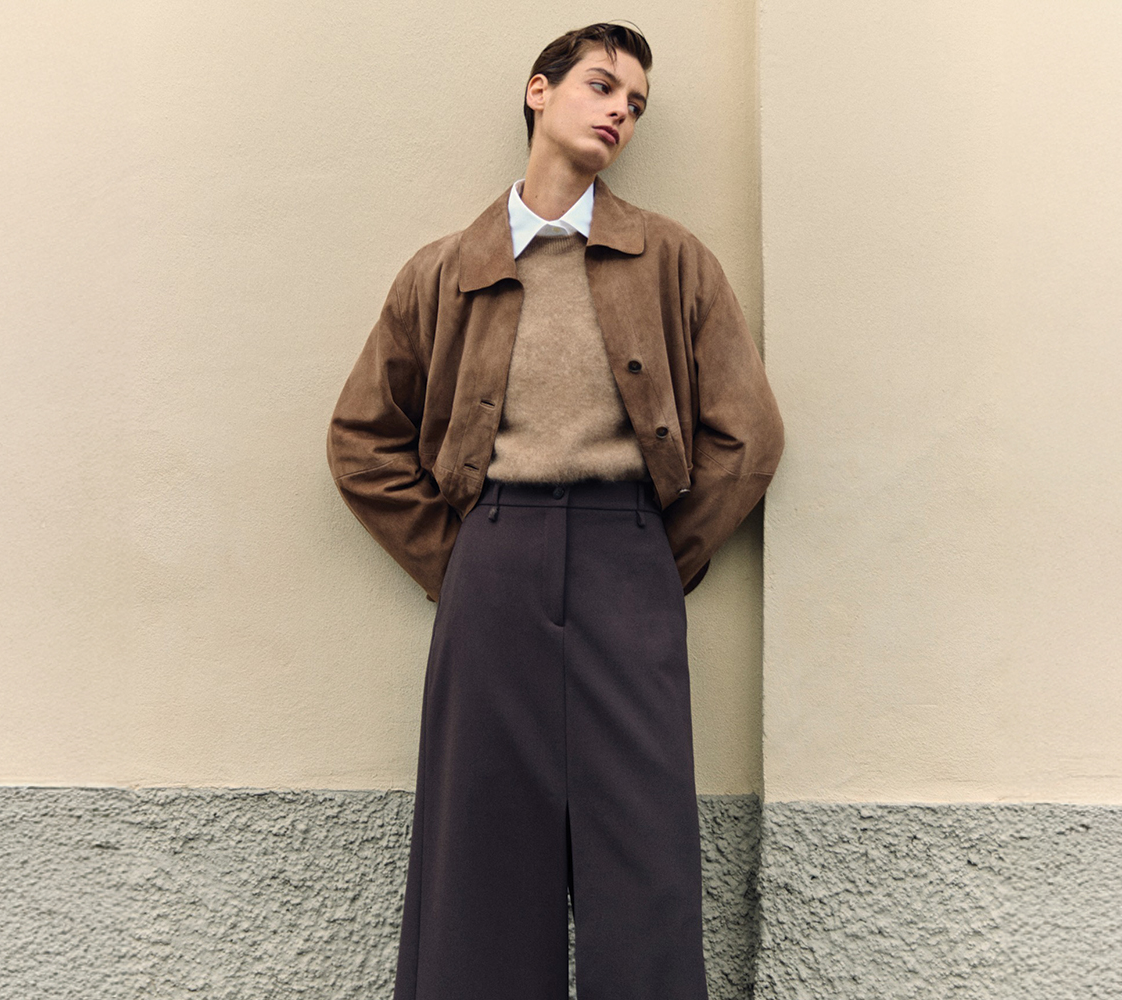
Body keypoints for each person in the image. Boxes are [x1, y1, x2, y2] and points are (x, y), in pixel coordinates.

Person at [326, 22, 782, 1000]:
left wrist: (658, 557)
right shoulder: (443, 270)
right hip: (489, 561)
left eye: (637, 103)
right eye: (602, 85)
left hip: (629, 558)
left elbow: (747, 436)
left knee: (643, 847)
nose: (621, 109)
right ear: (540, 92)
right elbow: (361, 437)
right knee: (480, 852)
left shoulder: (672, 262)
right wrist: (459, 558)